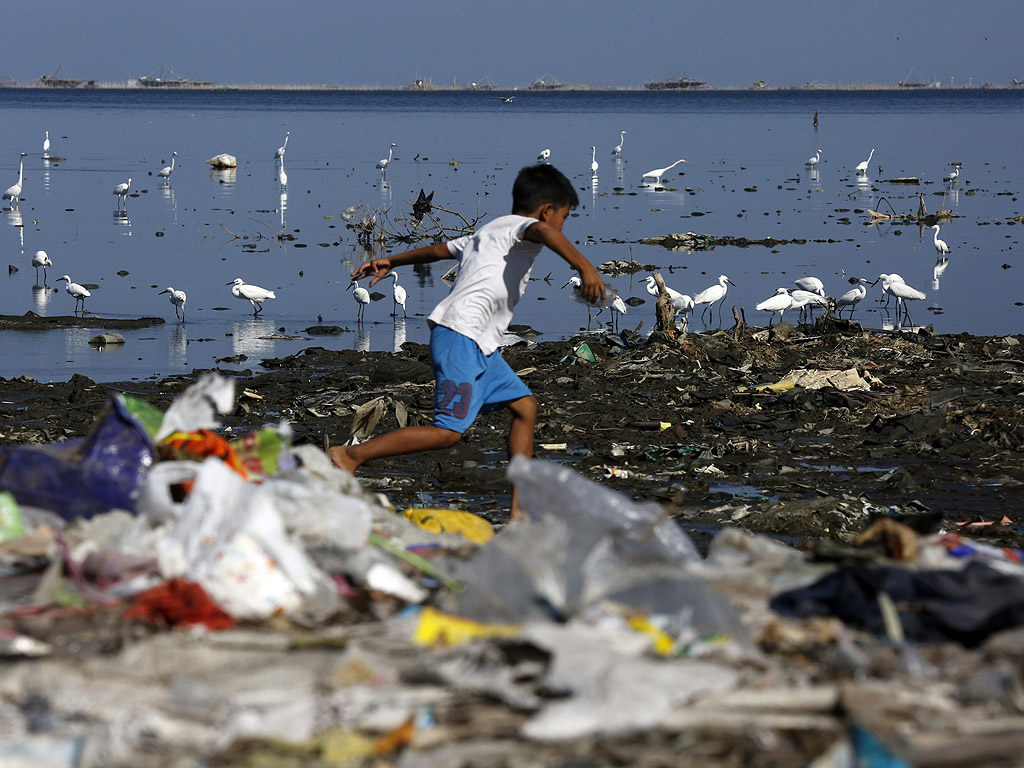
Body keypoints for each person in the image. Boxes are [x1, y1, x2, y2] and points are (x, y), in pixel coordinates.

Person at [330, 164, 605, 517]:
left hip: (480, 344)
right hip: (461, 334)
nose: (562, 227)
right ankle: (349, 455)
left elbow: (440, 250)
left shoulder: (491, 231)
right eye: (564, 217)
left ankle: (518, 511)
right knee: (448, 433)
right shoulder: (526, 227)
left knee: (525, 408)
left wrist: (389, 260)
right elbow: (542, 231)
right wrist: (585, 268)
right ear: (547, 211)